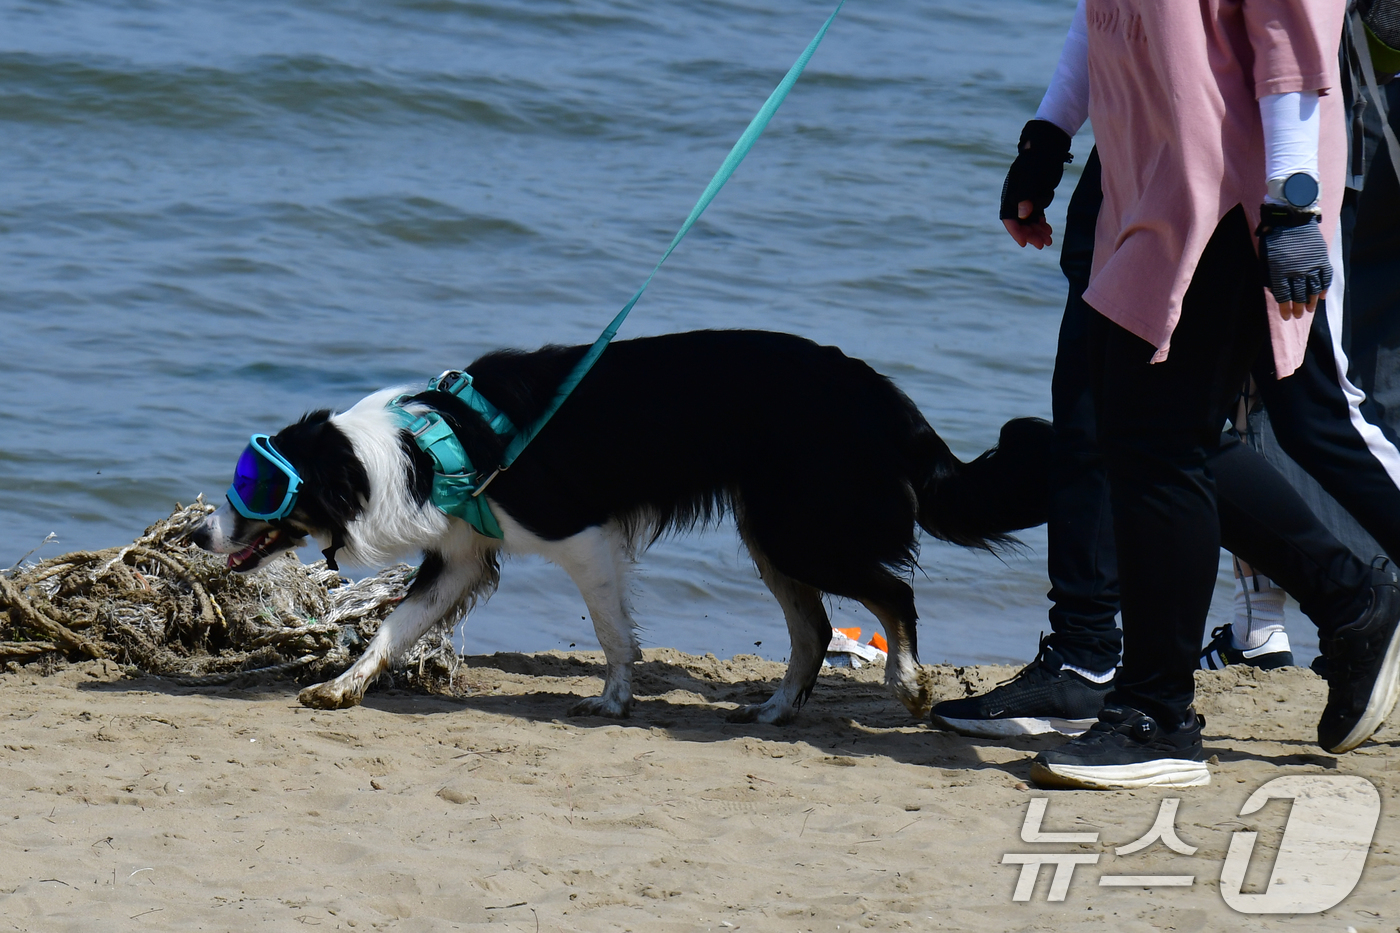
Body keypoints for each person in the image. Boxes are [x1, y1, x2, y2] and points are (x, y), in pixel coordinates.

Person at [949, 0, 1400, 790]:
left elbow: (1292, 40)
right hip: (1148, 178)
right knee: (1148, 432)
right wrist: (1050, 133)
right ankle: (1176, 687)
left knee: (1291, 423)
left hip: (1238, 189)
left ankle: (1156, 715)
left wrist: (1291, 203)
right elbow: (1110, 16)